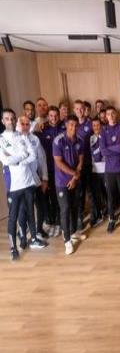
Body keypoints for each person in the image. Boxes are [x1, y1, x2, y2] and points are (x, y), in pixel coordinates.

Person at [0, 109, 42, 260]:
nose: (10, 121)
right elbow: (6, 160)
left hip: (28, 181)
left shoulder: (23, 136)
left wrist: (19, 160)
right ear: (3, 121)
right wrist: (22, 156)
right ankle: (13, 248)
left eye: (12, 118)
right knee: (13, 217)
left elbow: (32, 155)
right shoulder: (1, 139)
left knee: (30, 212)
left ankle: (33, 238)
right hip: (14, 185)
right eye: (7, 118)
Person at [53, 114, 87, 255]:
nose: (73, 127)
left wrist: (75, 177)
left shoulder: (80, 140)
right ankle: (67, 240)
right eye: (71, 125)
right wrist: (74, 174)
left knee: (74, 207)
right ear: (66, 125)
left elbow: (81, 160)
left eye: (75, 125)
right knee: (65, 209)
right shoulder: (58, 140)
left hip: (75, 179)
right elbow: (58, 162)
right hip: (62, 181)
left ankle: (73, 233)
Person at [99, 106, 120, 233]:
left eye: (113, 113)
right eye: (108, 114)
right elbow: (103, 151)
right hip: (109, 169)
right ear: (106, 117)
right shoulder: (103, 130)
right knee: (110, 196)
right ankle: (112, 219)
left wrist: (110, 148)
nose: (111, 116)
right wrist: (115, 148)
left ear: (116, 115)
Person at [17, 115, 50, 244]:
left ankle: (38, 229)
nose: (25, 127)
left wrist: (45, 178)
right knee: (25, 209)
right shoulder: (15, 139)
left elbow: (42, 159)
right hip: (22, 182)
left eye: (27, 124)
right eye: (23, 124)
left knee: (41, 206)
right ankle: (23, 234)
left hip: (36, 179)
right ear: (18, 125)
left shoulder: (35, 139)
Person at [35, 105, 63, 236]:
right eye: (51, 116)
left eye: (56, 115)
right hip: (50, 169)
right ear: (48, 117)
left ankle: (63, 221)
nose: (54, 118)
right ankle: (56, 221)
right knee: (53, 197)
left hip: (62, 169)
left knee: (62, 196)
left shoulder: (63, 128)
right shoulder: (43, 130)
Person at [74, 100, 94, 230]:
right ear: (74, 110)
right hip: (76, 166)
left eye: (81, 108)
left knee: (91, 191)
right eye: (77, 109)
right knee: (79, 193)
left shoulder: (90, 123)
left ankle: (94, 216)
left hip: (89, 163)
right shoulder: (71, 124)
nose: (80, 111)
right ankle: (80, 218)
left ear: (84, 109)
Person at [89, 117, 106, 227]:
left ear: (101, 126)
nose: (96, 127)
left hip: (106, 168)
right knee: (96, 194)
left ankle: (108, 212)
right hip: (95, 170)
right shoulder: (91, 138)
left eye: (98, 125)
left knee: (106, 193)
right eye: (94, 125)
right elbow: (94, 155)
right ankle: (97, 215)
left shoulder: (105, 136)